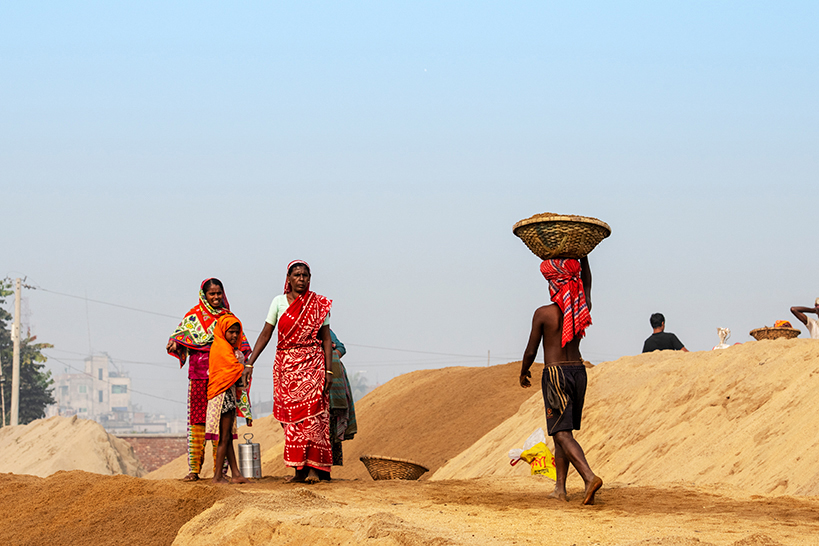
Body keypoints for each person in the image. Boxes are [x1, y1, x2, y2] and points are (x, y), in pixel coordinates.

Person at [520, 257, 603, 505]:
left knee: (562, 433)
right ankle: (560, 488)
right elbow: (587, 286)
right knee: (560, 432)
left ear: (553, 284)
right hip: (578, 372)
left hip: (555, 374)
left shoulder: (544, 314)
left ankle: (589, 477)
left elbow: (531, 350)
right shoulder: (580, 308)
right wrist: (584, 257)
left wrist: (523, 371)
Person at [245, 260, 333, 484]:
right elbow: (266, 334)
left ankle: (314, 469)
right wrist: (250, 362)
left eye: (305, 275)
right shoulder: (278, 302)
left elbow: (325, 338)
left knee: (314, 418)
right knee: (292, 421)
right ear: (289, 279)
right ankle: (298, 470)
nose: (301, 279)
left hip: (312, 364)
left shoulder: (318, 305)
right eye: (297, 275)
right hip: (285, 367)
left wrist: (329, 371)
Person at [167, 278, 250, 482]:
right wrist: (175, 344)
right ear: (204, 295)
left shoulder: (228, 318)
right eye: (211, 294)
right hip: (198, 376)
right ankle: (194, 470)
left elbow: (242, 345)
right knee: (197, 423)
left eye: (219, 293)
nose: (215, 297)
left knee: (223, 425)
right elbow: (178, 339)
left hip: (222, 378)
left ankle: (220, 471)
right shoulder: (192, 316)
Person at [205, 314, 252, 484]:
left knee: (228, 436)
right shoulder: (221, 349)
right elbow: (232, 370)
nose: (234, 336)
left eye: (236, 333)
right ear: (223, 332)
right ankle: (217, 476)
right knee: (224, 437)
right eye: (231, 332)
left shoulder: (230, 350)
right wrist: (242, 366)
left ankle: (236, 474)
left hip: (227, 395)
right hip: (223, 396)